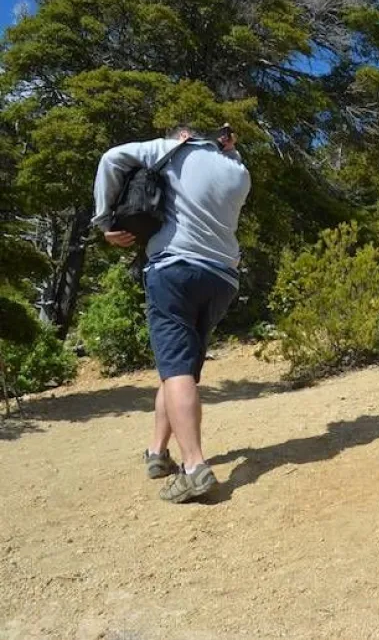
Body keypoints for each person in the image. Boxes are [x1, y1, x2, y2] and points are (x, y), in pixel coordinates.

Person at [92, 124, 251, 503]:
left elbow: (111, 158)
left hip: (174, 270)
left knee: (176, 370)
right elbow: (228, 162)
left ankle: (194, 468)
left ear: (182, 138)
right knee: (179, 369)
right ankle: (157, 453)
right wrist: (230, 150)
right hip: (223, 278)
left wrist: (104, 223)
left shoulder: (171, 149)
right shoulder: (239, 172)